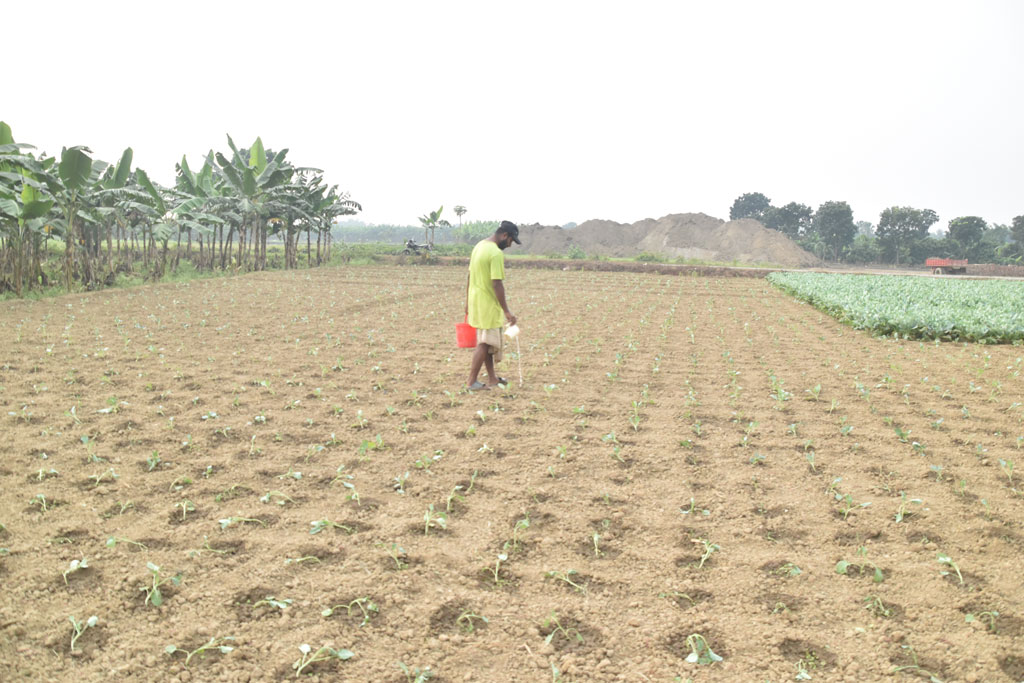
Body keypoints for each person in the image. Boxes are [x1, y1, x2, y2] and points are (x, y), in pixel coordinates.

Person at [465, 221, 520, 390]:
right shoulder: (495, 254)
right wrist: (507, 311)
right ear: (504, 236)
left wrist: (467, 302)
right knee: (484, 344)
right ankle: (471, 382)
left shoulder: (479, 246)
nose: (510, 245)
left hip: (476, 301)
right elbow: (497, 284)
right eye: (511, 241)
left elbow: (469, 276)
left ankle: (492, 378)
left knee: (486, 341)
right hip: (487, 304)